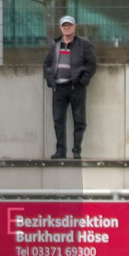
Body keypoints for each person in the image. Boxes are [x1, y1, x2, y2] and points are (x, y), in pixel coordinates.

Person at [43, 15, 97, 159]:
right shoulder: (55, 45)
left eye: (69, 25)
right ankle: (60, 151)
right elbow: (47, 64)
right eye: (64, 25)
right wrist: (50, 80)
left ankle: (76, 150)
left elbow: (92, 64)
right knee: (58, 120)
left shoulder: (84, 44)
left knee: (79, 120)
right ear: (60, 27)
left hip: (76, 88)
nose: (67, 27)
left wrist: (83, 81)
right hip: (58, 89)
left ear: (75, 26)